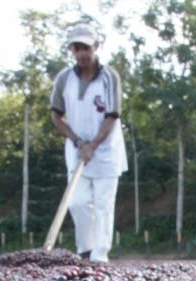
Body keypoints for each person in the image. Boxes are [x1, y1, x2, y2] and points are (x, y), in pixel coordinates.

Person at [50, 24, 128, 263]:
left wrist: (93, 144)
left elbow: (112, 115)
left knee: (104, 203)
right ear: (72, 50)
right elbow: (56, 115)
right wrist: (78, 142)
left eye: (86, 47)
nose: (82, 53)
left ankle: (100, 255)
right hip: (76, 149)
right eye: (77, 48)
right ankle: (85, 250)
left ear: (96, 47)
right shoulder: (64, 78)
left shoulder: (109, 77)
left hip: (105, 150)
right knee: (77, 202)